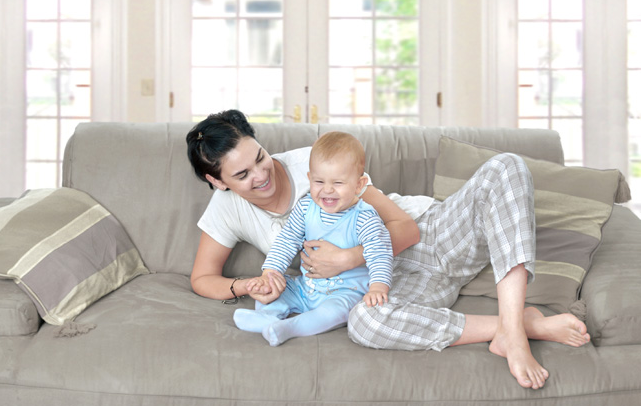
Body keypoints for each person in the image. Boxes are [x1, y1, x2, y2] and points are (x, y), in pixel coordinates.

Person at [187, 109, 590, 390]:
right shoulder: (226, 210)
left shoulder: (312, 166)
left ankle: (514, 333)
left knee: (507, 166)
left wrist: (348, 257)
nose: (262, 174)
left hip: (433, 240)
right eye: (242, 174)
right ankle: (516, 324)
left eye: (260, 156)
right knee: (365, 323)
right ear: (217, 180)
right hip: (391, 286)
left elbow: (406, 229)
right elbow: (203, 278)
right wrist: (249, 285)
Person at [232, 131, 393, 346]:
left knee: (334, 311)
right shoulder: (307, 207)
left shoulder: (364, 217)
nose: (327, 190)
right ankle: (266, 319)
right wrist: (270, 273)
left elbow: (379, 254)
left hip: (346, 291)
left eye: (338, 183)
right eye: (319, 181)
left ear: (358, 184)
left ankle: (290, 328)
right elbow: (287, 240)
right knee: (275, 289)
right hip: (305, 287)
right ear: (309, 179)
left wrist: (378, 288)